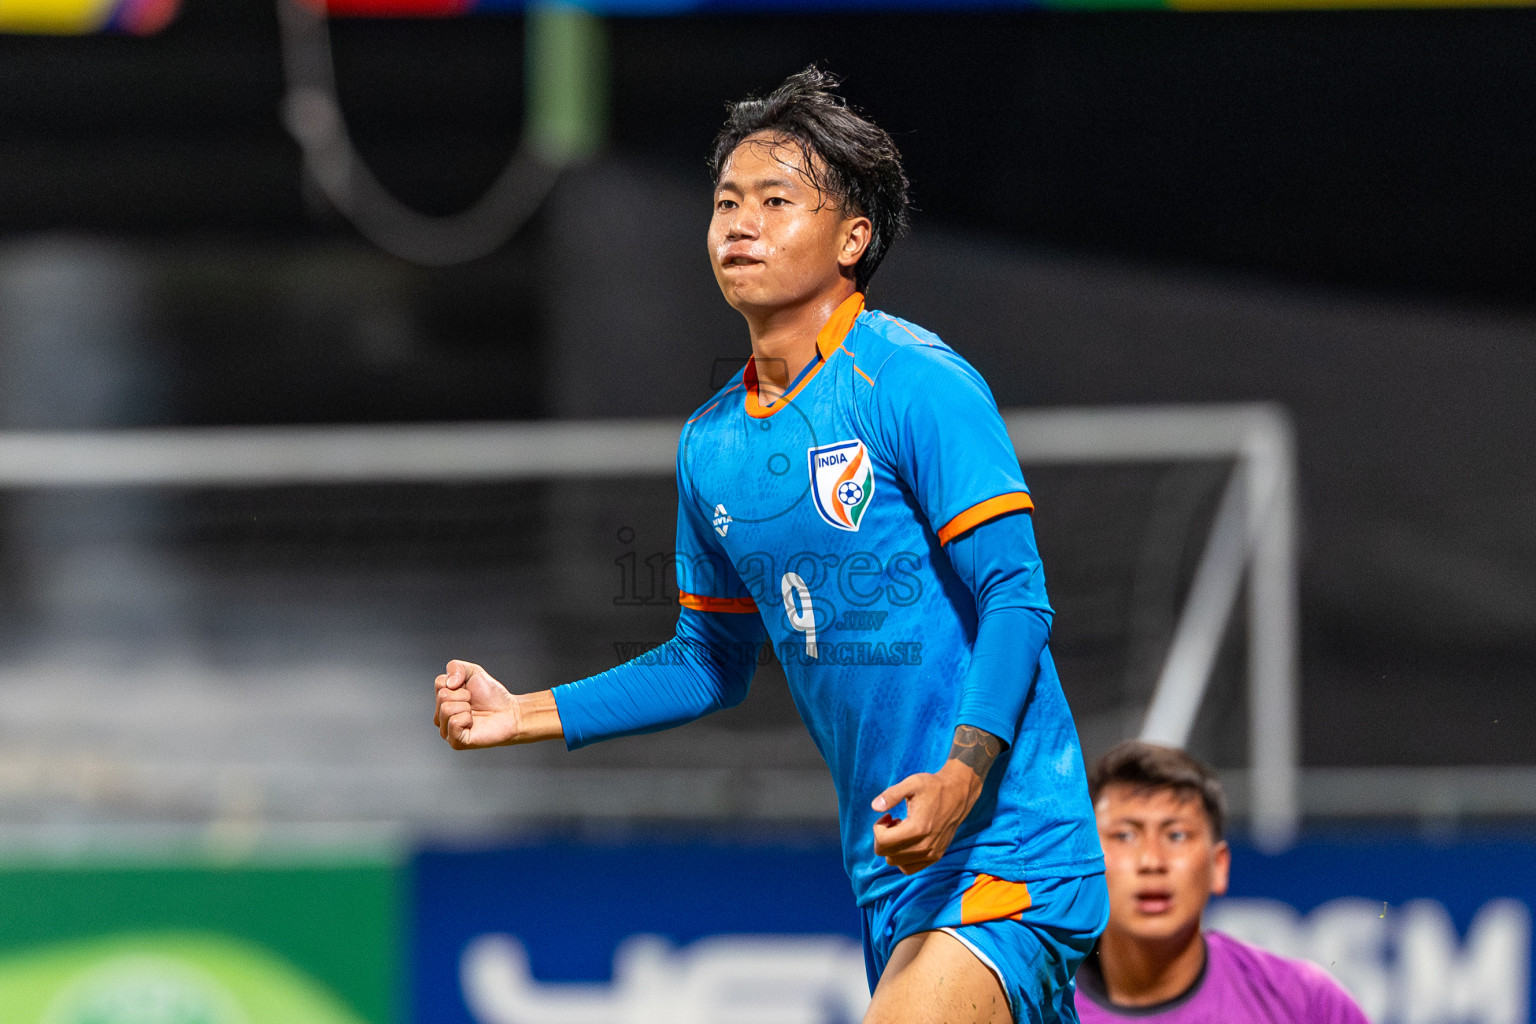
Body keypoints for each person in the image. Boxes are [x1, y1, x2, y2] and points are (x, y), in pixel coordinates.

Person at [433, 66, 1106, 1024]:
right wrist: (521, 714)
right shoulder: (710, 445)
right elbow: (708, 662)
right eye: (725, 203)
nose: (739, 224)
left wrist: (962, 778)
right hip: (892, 873)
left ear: (853, 239)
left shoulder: (915, 381)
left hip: (1009, 842)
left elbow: (1016, 597)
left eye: (775, 202)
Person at [1075, 741, 1369, 1023]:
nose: (1152, 860)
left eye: (1177, 835)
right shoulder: (1047, 1006)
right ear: (1084, 861)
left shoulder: (1307, 1003)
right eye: (1124, 835)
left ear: (1219, 866)